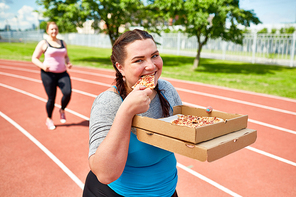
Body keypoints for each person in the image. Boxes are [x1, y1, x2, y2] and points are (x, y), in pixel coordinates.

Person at [83, 29, 182, 197]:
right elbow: (105, 174)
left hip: (167, 191)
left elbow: (181, 135)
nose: (151, 66)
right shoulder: (109, 102)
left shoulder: (167, 90)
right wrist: (126, 111)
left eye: (155, 55)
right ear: (120, 67)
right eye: (139, 60)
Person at [32, 22, 72, 130]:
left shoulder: (62, 42)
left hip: (62, 73)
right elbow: (34, 58)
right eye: (52, 29)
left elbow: (66, 56)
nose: (54, 31)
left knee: (68, 93)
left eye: (56, 29)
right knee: (51, 99)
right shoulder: (43, 43)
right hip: (48, 75)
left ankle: (62, 110)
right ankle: (49, 119)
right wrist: (43, 66)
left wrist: (68, 62)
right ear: (47, 31)